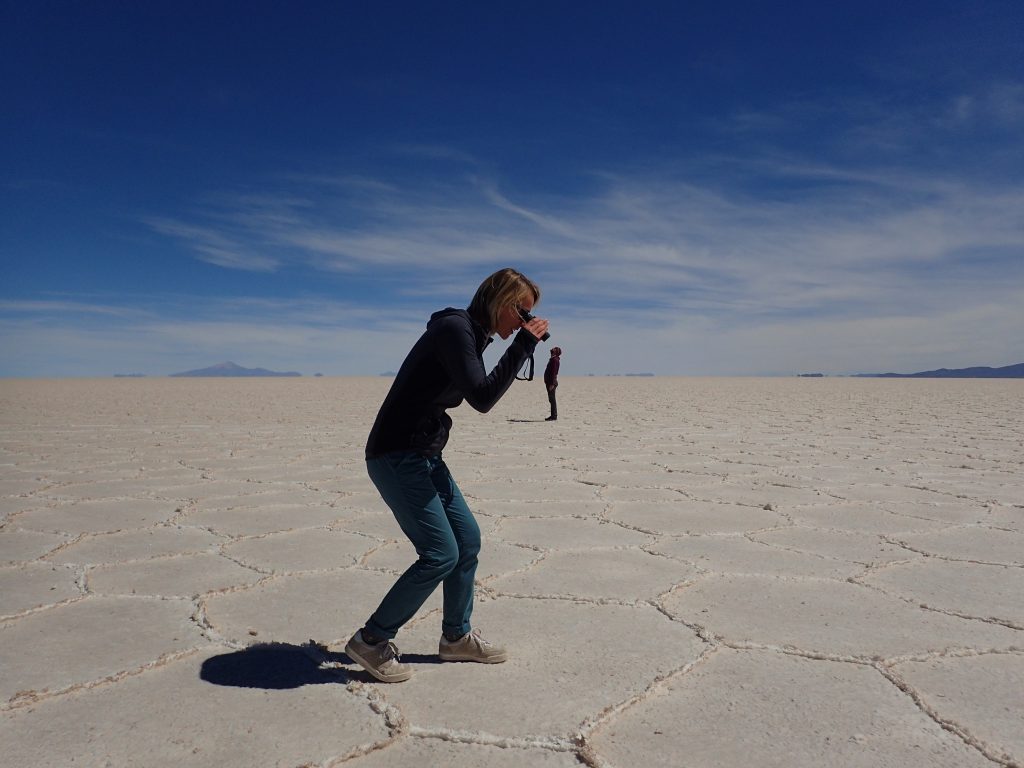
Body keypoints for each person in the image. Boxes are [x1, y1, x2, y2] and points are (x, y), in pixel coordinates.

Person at [345, 267, 550, 683]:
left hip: (424, 455)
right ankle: (370, 640)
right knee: (440, 554)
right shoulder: (456, 329)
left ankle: (456, 638)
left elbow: (479, 389)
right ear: (501, 302)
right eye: (522, 312)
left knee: (467, 541)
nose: (525, 322)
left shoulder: (473, 334)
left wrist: (521, 342)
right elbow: (482, 397)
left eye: (529, 316)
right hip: (397, 454)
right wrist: (525, 344)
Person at [544, 346, 561, 421]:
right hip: (550, 382)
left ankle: (554, 416)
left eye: (555, 348)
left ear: (556, 352)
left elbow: (554, 372)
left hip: (551, 383)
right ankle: (553, 415)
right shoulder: (553, 359)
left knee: (552, 399)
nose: (552, 349)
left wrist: (552, 384)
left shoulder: (554, 360)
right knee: (551, 399)